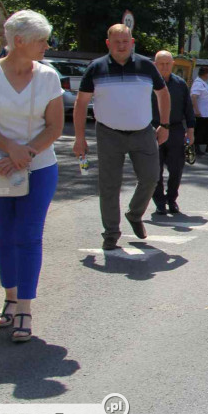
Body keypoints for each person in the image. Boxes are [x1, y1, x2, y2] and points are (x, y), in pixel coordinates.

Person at [0, 10, 64, 342]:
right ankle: (9, 298)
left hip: (38, 167)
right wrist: (10, 149)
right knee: (4, 235)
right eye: (42, 40)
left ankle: (24, 306)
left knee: (29, 235)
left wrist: (27, 153)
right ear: (19, 41)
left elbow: (54, 126)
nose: (47, 46)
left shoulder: (49, 76)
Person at [73, 24, 170, 250]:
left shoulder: (146, 66)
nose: (121, 45)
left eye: (125, 41)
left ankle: (135, 214)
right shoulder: (96, 68)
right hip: (108, 133)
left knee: (151, 177)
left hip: (143, 131)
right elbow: (81, 103)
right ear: (108, 43)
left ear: (132, 42)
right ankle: (111, 233)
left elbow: (163, 93)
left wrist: (164, 124)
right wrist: (79, 138)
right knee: (109, 186)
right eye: (116, 41)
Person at [152, 51, 195, 215]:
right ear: (155, 64)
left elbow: (188, 109)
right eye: (161, 63)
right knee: (155, 169)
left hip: (175, 129)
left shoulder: (180, 84)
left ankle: (171, 199)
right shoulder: (149, 84)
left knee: (176, 168)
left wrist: (191, 131)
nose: (165, 67)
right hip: (153, 129)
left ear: (172, 64)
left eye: (168, 63)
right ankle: (160, 202)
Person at [190, 67, 208, 154]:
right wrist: (196, 110)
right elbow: (193, 97)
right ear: (205, 74)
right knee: (199, 130)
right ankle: (196, 147)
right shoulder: (198, 83)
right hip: (201, 112)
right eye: (207, 74)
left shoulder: (203, 83)